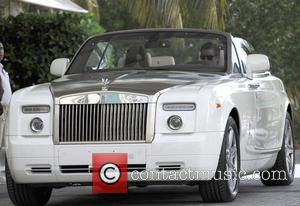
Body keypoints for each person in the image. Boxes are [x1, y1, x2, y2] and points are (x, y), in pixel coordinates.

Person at [0, 40, 12, 183]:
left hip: (7, 110)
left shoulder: (2, 69)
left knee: (4, 144)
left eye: (2, 48)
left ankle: (2, 173)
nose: (0, 51)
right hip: (1, 110)